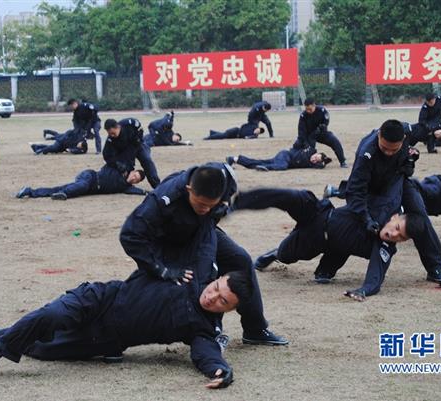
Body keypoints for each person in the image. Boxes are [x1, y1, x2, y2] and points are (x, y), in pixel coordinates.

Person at [0, 269, 252, 389]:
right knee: (51, 316)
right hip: (99, 299)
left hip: (105, 339)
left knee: (43, 349)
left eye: (221, 301)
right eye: (216, 288)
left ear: (229, 310)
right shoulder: (186, 272)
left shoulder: (204, 326)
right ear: (217, 278)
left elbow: (206, 352)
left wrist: (220, 370)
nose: (212, 297)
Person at [120, 163, 287, 345]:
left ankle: (255, 329)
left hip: (202, 230)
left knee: (240, 260)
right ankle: (115, 327)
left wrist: (216, 210)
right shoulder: (164, 199)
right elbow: (130, 235)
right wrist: (161, 269)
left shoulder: (222, 180)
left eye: (211, 205)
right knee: (184, 282)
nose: (206, 209)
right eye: (201, 203)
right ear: (189, 189)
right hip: (166, 241)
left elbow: (218, 207)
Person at [235, 187, 429, 301]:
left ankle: (277, 254)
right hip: (319, 213)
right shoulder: (377, 209)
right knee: (295, 196)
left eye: (400, 237)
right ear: (395, 217)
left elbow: (376, 274)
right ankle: (240, 201)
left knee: (287, 255)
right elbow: (359, 189)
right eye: (396, 227)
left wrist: (363, 290)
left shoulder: (385, 248)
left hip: (317, 242)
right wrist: (339, 190)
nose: (393, 234)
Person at [341, 119, 441, 284]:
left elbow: (422, 132)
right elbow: (355, 191)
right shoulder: (366, 153)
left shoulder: (408, 132)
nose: (389, 153)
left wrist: (411, 159)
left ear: (404, 138)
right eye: (384, 148)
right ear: (379, 135)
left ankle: (435, 267)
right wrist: (366, 218)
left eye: (394, 149)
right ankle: (329, 267)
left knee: (419, 216)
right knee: (358, 221)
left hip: (399, 180)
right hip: (373, 188)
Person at [16, 166, 147, 200]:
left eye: (137, 179)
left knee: (56, 189)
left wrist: (148, 193)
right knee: (80, 186)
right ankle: (63, 194)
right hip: (89, 177)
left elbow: (137, 191)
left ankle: (29, 191)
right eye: (135, 175)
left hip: (88, 189)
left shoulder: (126, 187)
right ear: (132, 171)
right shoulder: (119, 169)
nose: (134, 178)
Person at [103, 118, 160, 189]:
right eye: (109, 134)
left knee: (147, 160)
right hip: (125, 152)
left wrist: (138, 139)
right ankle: (124, 185)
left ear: (118, 127)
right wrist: (117, 164)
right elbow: (106, 156)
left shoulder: (128, 124)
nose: (111, 135)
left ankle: (157, 186)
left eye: (113, 133)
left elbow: (140, 128)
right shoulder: (110, 140)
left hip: (137, 145)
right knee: (125, 168)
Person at [293, 98, 347, 167]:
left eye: (310, 109)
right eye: (306, 109)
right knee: (297, 145)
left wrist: (323, 127)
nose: (308, 111)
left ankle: (342, 161)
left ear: (314, 105)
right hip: (309, 135)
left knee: (335, 141)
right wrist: (305, 143)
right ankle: (299, 161)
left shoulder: (322, 110)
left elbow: (326, 121)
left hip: (321, 133)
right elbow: (301, 131)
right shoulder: (303, 116)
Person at [226, 147, 332, 171]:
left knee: (258, 162)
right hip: (285, 155)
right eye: (315, 157)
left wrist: (324, 160)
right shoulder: (310, 149)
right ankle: (264, 168)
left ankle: (235, 159)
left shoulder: (313, 165)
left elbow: (321, 166)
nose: (314, 159)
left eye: (316, 160)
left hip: (281, 160)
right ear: (316, 153)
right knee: (282, 166)